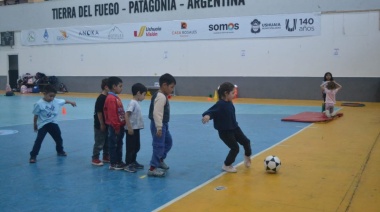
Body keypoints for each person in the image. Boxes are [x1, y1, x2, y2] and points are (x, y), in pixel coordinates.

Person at [202, 82, 252, 173]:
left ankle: (247, 157)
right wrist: (207, 116)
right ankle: (226, 165)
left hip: (235, 128)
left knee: (246, 142)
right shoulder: (220, 104)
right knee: (235, 148)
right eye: (232, 93)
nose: (234, 94)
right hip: (225, 132)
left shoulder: (229, 102)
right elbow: (211, 111)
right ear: (226, 93)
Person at [29, 85, 77, 163]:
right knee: (39, 140)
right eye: (50, 96)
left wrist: (71, 102)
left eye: (53, 96)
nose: (51, 98)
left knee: (58, 138)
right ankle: (33, 156)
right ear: (44, 94)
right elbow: (36, 115)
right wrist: (35, 125)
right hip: (43, 125)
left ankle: (60, 151)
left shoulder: (56, 101)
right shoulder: (39, 104)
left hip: (53, 123)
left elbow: (64, 101)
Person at [147, 73, 176, 177]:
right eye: (171, 87)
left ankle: (159, 159)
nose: (172, 90)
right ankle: (152, 168)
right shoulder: (161, 97)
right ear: (164, 85)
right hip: (158, 125)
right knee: (158, 146)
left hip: (163, 124)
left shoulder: (162, 95)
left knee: (168, 142)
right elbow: (157, 112)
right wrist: (159, 127)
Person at [124, 83, 148, 173]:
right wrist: (129, 127)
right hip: (131, 129)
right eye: (144, 95)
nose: (144, 97)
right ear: (138, 93)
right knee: (130, 147)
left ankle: (133, 161)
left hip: (136, 128)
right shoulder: (132, 103)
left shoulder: (136, 103)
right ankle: (128, 164)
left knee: (136, 146)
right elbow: (126, 115)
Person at [103, 77, 126, 170]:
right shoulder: (111, 99)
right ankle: (113, 163)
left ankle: (119, 161)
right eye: (120, 86)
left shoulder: (115, 97)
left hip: (119, 125)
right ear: (114, 86)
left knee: (119, 144)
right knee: (114, 144)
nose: (121, 88)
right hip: (114, 126)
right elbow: (112, 114)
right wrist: (116, 126)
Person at [92, 78, 110, 166]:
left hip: (107, 124)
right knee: (99, 142)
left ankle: (106, 156)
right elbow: (99, 112)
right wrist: (102, 124)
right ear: (106, 87)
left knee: (107, 141)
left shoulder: (108, 97)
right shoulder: (101, 98)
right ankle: (95, 158)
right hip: (100, 124)